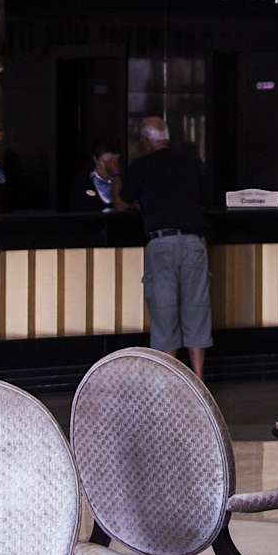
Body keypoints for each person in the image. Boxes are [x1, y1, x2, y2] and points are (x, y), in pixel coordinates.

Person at [117, 115, 212, 379]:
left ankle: (171, 383)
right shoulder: (191, 162)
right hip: (194, 241)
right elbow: (205, 196)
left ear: (146, 141)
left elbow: (122, 203)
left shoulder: (141, 165)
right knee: (196, 310)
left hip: (162, 242)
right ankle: (198, 380)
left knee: (164, 313)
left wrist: (116, 175)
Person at [80, 143, 123, 213]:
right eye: (106, 162)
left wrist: (116, 175)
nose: (110, 166)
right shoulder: (84, 182)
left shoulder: (123, 181)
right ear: (95, 159)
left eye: (113, 161)